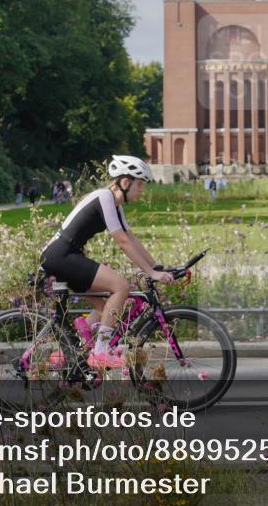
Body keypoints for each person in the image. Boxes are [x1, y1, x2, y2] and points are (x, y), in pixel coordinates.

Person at [40, 155, 173, 368]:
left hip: (65, 257)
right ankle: (101, 352)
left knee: (108, 311)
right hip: (61, 256)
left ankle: (71, 349)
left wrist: (156, 267)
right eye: (140, 185)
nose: (142, 190)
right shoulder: (104, 197)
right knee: (120, 286)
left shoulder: (114, 205)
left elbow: (130, 238)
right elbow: (121, 241)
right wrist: (151, 272)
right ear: (126, 182)